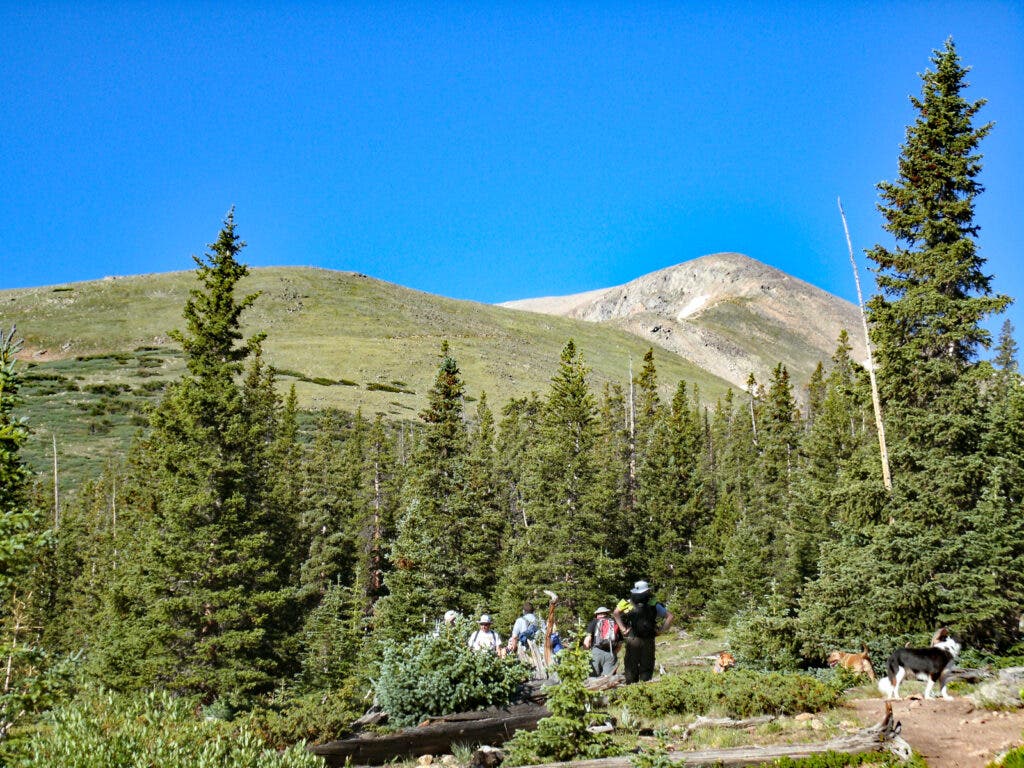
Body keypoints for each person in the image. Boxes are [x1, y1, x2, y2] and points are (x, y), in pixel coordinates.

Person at [613, 580, 673, 684]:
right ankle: (645, 688)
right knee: (647, 665)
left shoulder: (627, 602)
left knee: (631, 665)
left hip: (633, 638)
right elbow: (670, 616)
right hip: (649, 639)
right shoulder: (653, 603)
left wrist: (623, 629)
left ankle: (631, 688)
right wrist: (662, 630)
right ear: (647, 590)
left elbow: (615, 613)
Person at [584, 606, 620, 677]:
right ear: (607, 614)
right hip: (611, 653)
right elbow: (620, 643)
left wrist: (586, 654)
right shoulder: (614, 623)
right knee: (608, 679)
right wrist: (614, 652)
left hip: (596, 653)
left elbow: (587, 639)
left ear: (597, 614)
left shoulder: (593, 622)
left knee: (593, 678)